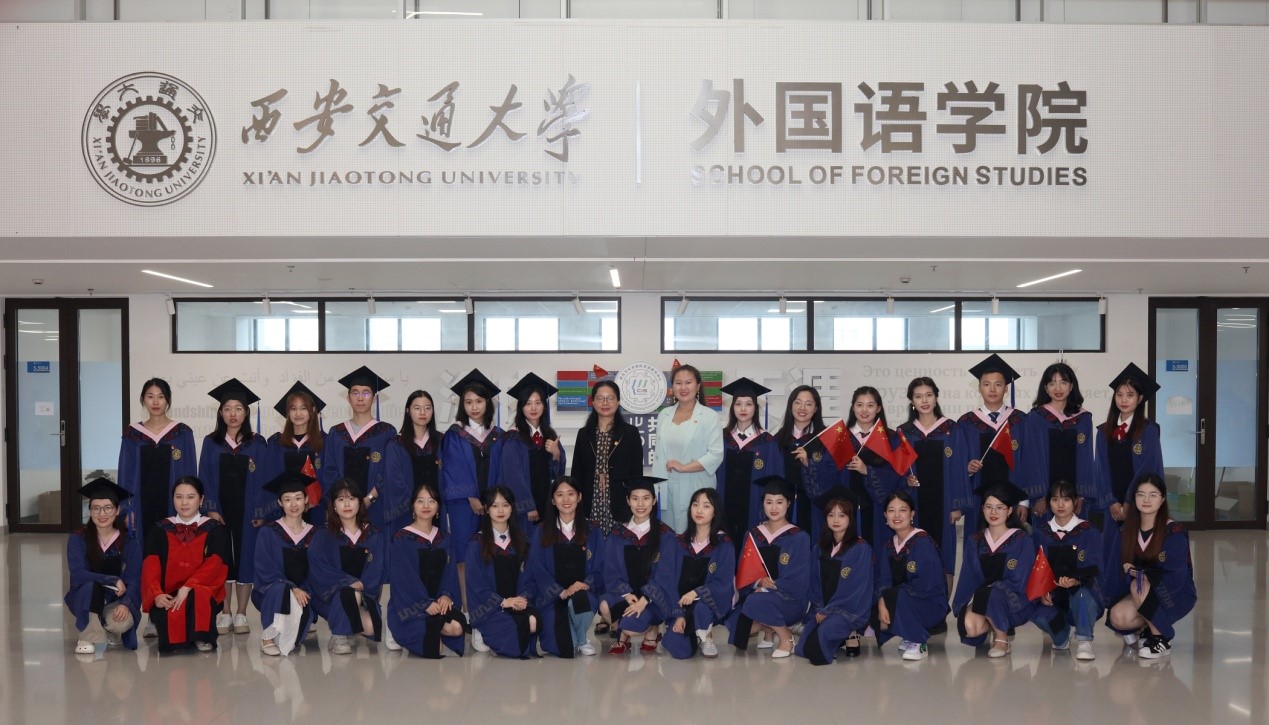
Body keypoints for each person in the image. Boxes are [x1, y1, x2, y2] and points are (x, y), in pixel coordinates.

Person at [569, 379, 643, 637]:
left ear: (618, 402)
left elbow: (636, 475)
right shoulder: (584, 434)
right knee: (594, 559)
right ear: (592, 402)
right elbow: (577, 472)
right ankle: (600, 611)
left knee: (616, 560)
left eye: (610, 398)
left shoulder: (629, 433)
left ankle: (613, 610)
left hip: (618, 506)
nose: (605, 402)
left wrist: (633, 505)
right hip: (591, 505)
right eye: (600, 398)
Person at [197, 378, 269, 636]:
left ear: (246, 412)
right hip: (220, 511)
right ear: (220, 412)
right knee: (223, 560)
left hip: (248, 512)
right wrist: (211, 509)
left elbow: (265, 480)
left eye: (238, 408)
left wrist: (261, 512)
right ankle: (225, 611)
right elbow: (204, 476)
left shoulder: (257, 443)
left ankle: (241, 613)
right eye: (227, 408)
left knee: (245, 560)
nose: (233, 414)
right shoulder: (211, 442)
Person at [1104, 474, 1196, 659]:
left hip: (1173, 593)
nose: (1146, 500)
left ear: (1162, 499)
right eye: (1141, 494)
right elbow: (1114, 571)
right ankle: (1147, 627)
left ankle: (1161, 637)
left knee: (1137, 583)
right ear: (1134, 498)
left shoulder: (1174, 532)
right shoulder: (1125, 531)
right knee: (1118, 616)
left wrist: (1141, 573)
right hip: (1141, 594)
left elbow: (1177, 575)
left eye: (1153, 495)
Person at [949, 354, 1033, 544]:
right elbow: (956, 465)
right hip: (978, 500)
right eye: (987, 384)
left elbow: (1028, 462)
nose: (992, 389)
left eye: (998, 384)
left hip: (1012, 500)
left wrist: (1024, 501)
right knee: (979, 547)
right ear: (979, 387)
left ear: (1006, 388)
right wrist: (968, 469)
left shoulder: (1020, 420)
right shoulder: (966, 423)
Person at [140, 476, 230, 654]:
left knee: (200, 594)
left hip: (201, 590)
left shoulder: (215, 529)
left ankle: (201, 637)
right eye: (179, 497)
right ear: (172, 499)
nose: (184, 502)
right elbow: (150, 565)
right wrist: (157, 594)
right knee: (171, 633)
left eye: (190, 497)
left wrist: (188, 586)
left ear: (201, 499)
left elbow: (215, 565)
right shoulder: (159, 529)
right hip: (168, 593)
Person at [1095, 363, 1164, 594]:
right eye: (1119, 394)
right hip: (1112, 506)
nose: (1124, 400)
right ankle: (1113, 600)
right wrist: (1111, 502)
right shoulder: (1103, 431)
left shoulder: (1148, 431)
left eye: (1130, 395)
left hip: (1137, 504)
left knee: (1136, 552)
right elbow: (1100, 469)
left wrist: (1128, 501)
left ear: (1140, 398)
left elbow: (1147, 469)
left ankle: (1140, 601)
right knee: (1111, 552)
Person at [727, 476, 811, 660]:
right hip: (758, 596)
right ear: (763, 504)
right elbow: (743, 571)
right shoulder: (753, 534)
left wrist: (767, 588)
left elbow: (799, 579)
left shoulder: (799, 537)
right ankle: (769, 628)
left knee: (754, 602)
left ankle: (785, 637)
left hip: (790, 600)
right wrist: (758, 583)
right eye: (769, 502)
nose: (774, 508)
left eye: (779, 502)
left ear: (788, 504)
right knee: (735, 630)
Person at [952, 481, 1037, 658]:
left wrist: (991, 591)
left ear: (1010, 510)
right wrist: (964, 605)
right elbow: (968, 577)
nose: (993, 512)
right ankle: (992, 621)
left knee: (991, 594)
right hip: (983, 599)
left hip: (1014, 602)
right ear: (982, 509)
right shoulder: (975, 541)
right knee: (970, 627)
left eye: (1000, 507)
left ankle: (1002, 639)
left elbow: (1021, 580)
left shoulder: (1022, 540)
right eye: (988, 507)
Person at [386, 480, 468, 659]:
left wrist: (446, 595)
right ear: (412, 507)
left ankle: (434, 629)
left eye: (431, 501)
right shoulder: (401, 538)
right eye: (420, 501)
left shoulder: (444, 538)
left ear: (438, 507)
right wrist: (424, 604)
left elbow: (450, 573)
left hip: (438, 604)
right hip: (409, 607)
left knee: (457, 628)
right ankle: (397, 629)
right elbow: (403, 578)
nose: (426, 506)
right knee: (434, 647)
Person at [599, 476, 679, 654]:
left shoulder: (665, 535)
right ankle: (622, 629)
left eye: (646, 498)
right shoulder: (617, 534)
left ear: (654, 500)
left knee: (631, 628)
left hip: (652, 599)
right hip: (627, 596)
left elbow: (665, 574)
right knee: (604, 605)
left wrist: (644, 600)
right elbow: (611, 571)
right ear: (628, 501)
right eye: (635, 498)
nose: (640, 504)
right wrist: (627, 595)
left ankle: (651, 629)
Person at [309, 477, 387, 655]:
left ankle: (348, 625)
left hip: (363, 594)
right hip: (328, 597)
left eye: (352, 498)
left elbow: (376, 569)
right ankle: (339, 635)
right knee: (349, 594)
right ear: (334, 505)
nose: (347, 504)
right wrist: (348, 582)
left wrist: (360, 589)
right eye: (341, 499)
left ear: (360, 502)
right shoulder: (323, 534)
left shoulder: (373, 535)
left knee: (371, 627)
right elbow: (318, 568)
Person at [797, 487, 873, 665]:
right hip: (822, 610)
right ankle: (839, 638)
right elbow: (813, 583)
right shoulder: (819, 548)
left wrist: (829, 611)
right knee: (802, 649)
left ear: (850, 518)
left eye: (842, 515)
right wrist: (819, 609)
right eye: (831, 515)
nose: (836, 520)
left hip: (847, 611)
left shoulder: (860, 548)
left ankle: (850, 632)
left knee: (817, 650)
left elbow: (857, 588)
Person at [897, 377, 960, 590]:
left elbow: (958, 468)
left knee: (944, 555)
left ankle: (943, 605)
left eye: (929, 395)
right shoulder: (904, 432)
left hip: (944, 504)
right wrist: (906, 480)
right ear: (912, 401)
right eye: (918, 396)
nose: (924, 401)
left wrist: (956, 506)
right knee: (915, 555)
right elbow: (897, 470)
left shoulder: (951, 429)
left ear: (936, 398)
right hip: (915, 503)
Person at [117, 377, 197, 546]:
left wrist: (189, 507)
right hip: (141, 506)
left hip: (173, 506)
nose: (155, 402)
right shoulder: (133, 435)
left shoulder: (182, 433)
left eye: (161, 396)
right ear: (142, 400)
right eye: (150, 396)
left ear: (168, 400)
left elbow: (190, 474)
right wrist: (128, 509)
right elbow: (125, 474)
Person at [66, 478, 142, 654]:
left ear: (117, 510)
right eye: (96, 508)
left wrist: (125, 604)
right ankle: (88, 635)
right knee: (90, 586)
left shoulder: (129, 541)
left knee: (120, 623)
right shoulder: (78, 538)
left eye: (108, 507)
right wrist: (112, 579)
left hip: (115, 600)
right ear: (89, 511)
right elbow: (78, 574)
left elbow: (134, 579)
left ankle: (106, 628)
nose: (102, 513)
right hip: (86, 598)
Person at [1031, 479, 1104, 661]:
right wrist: (1042, 591)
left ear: (1075, 502)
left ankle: (1085, 640)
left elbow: (1095, 564)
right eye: (1055, 499)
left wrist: (1076, 580)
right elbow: (1036, 566)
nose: (1061, 505)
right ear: (1049, 503)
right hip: (1053, 595)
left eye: (1066, 499)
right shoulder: (1041, 532)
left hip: (1081, 591)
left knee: (1081, 595)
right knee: (1035, 612)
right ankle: (1062, 636)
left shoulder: (1089, 531)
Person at [873, 491, 950, 661]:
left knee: (899, 596)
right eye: (891, 510)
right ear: (885, 515)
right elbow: (884, 579)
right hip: (900, 598)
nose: (897, 515)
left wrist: (891, 596)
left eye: (903, 510)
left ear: (912, 514)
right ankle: (908, 633)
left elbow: (927, 585)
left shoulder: (923, 542)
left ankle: (918, 641)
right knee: (872, 612)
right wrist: (882, 600)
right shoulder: (888, 545)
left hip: (930, 603)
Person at [529, 477, 601, 657]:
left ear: (579, 497)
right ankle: (576, 638)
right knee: (561, 646)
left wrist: (584, 584)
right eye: (560, 495)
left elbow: (600, 564)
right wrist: (560, 592)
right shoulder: (542, 530)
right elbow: (537, 567)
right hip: (552, 597)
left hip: (581, 592)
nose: (566, 499)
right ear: (553, 500)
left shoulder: (592, 530)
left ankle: (582, 639)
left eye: (571, 494)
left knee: (581, 601)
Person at [251, 470, 320, 657]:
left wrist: (303, 590)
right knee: (279, 588)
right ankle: (267, 638)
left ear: (306, 499)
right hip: (272, 593)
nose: (293, 504)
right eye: (287, 499)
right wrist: (292, 587)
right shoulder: (268, 531)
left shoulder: (315, 533)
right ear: (280, 503)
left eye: (298, 498)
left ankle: (295, 623)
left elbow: (319, 569)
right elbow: (264, 568)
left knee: (291, 642)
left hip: (305, 593)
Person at [464, 486, 538, 659]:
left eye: (505, 505)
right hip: (489, 608)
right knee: (516, 631)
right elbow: (476, 583)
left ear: (512, 508)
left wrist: (522, 599)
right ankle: (480, 629)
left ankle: (495, 634)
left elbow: (531, 576)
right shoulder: (477, 543)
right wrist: (503, 602)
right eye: (495, 506)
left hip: (517, 604)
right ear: (486, 509)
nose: (500, 510)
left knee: (533, 623)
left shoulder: (522, 541)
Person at [663, 488, 735, 659]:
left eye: (706, 506)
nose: (699, 510)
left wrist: (696, 592)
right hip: (680, 605)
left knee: (702, 608)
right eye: (695, 505)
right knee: (679, 650)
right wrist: (679, 615)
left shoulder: (724, 544)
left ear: (715, 512)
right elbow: (668, 580)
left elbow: (723, 582)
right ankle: (692, 632)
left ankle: (706, 635)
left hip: (707, 604)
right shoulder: (678, 542)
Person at [323, 367, 398, 531]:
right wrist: (343, 501)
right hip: (343, 511)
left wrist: (369, 498)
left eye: (366, 393)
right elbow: (329, 471)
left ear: (374, 398)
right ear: (348, 398)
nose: (360, 398)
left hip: (376, 507)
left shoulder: (386, 432)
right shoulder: (337, 433)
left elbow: (389, 471)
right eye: (355, 393)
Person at [1023, 362, 1100, 521]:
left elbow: (1086, 458)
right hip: (1044, 498)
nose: (1057, 388)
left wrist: (1081, 496)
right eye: (1052, 383)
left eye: (1063, 382)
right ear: (1045, 388)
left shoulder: (1083, 419)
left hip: (1074, 497)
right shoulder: (1035, 418)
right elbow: (1032, 459)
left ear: (1071, 386)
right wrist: (1039, 496)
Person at [716, 377, 784, 555]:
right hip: (724, 508)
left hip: (753, 509)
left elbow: (775, 480)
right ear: (732, 408)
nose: (743, 409)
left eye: (748, 404)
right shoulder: (721, 439)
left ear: (755, 408)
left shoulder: (767, 442)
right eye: (738, 404)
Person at [653, 364, 723, 533]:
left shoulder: (709, 416)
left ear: (698, 386)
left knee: (692, 535)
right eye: (678, 383)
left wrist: (684, 467)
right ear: (672, 387)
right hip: (666, 485)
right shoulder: (664, 415)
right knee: (667, 535)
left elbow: (716, 455)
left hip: (695, 483)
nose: (683, 387)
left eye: (688, 382)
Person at [501, 373, 568, 529]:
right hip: (525, 509)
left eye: (538, 402)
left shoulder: (550, 435)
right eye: (528, 403)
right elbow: (513, 476)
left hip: (547, 502)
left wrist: (556, 454)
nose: (533, 408)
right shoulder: (514, 438)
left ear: (544, 406)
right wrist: (528, 506)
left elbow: (556, 476)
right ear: (521, 407)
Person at [842, 386, 904, 551]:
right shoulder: (841, 438)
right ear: (853, 407)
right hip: (848, 509)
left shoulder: (891, 438)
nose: (864, 410)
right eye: (859, 405)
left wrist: (867, 471)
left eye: (870, 405)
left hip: (878, 510)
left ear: (878, 408)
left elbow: (896, 474)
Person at [775, 385, 840, 536]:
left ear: (816, 408)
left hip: (814, 508)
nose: (802, 408)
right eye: (798, 402)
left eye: (808, 404)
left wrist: (809, 463)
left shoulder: (825, 439)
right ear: (791, 406)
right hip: (784, 506)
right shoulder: (779, 438)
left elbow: (832, 475)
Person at [265, 381, 327, 525]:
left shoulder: (325, 442)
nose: (298, 413)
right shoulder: (276, 443)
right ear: (288, 412)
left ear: (312, 410)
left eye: (303, 408)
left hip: (316, 509)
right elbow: (270, 476)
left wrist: (316, 500)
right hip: (284, 509)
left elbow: (329, 477)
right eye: (293, 408)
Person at [384, 390, 441, 535]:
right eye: (417, 408)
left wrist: (432, 505)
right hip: (407, 513)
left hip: (436, 511)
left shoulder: (441, 440)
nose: (423, 412)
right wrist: (417, 505)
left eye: (428, 408)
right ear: (408, 411)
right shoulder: (396, 444)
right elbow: (394, 481)